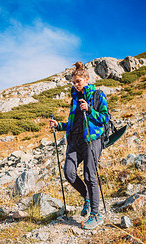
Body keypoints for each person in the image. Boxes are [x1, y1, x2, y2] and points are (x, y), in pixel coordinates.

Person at [49, 62, 109, 229]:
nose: (75, 85)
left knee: (90, 175)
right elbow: (74, 123)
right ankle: (87, 198)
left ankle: (96, 215)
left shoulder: (98, 95)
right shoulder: (74, 99)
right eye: (74, 82)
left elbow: (104, 118)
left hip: (92, 139)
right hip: (75, 141)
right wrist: (59, 126)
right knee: (69, 172)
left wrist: (90, 110)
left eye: (78, 82)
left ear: (86, 79)